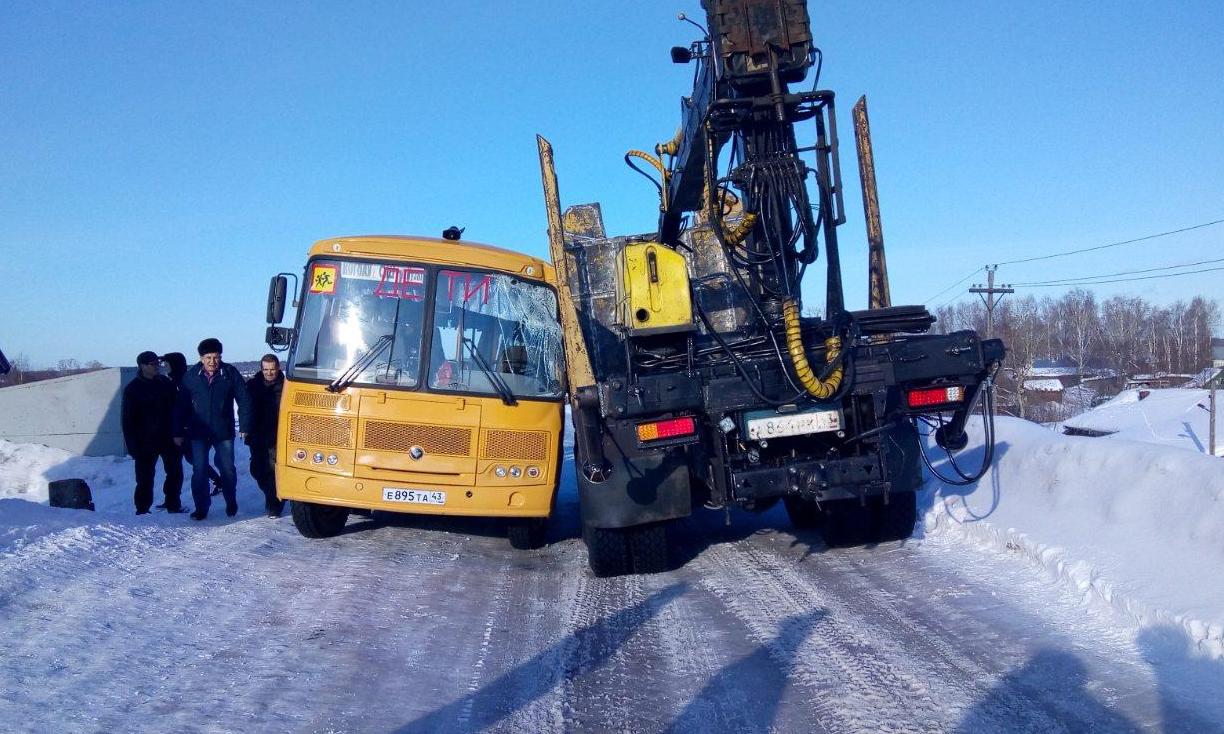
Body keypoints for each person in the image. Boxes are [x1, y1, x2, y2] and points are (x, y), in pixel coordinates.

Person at [173, 338, 252, 521]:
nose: (212, 361)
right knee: (199, 471)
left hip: (223, 431)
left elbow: (244, 400)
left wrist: (245, 426)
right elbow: (181, 406)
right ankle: (201, 507)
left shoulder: (229, 373)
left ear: (220, 357)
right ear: (201, 358)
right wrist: (177, 431)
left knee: (227, 470)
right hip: (198, 432)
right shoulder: (191, 377)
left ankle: (231, 501)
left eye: (216, 357)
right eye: (208, 357)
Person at [121, 351, 184, 514]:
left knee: (175, 473)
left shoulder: (165, 383)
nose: (157, 366)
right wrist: (132, 446)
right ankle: (142, 509)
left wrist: (179, 432)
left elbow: (177, 408)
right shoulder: (133, 389)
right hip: (145, 442)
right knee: (144, 478)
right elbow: (128, 421)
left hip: (169, 438)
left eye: (158, 363)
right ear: (142, 366)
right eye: (153, 364)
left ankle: (173, 504)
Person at [161, 352, 222, 501]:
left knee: (194, 460)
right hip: (181, 428)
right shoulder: (174, 380)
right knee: (191, 460)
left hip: (189, 428)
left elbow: (184, 407)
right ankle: (217, 481)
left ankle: (218, 482)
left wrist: (183, 427)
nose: (164, 366)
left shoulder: (183, 381)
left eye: (166, 363)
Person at [245, 354, 285, 517]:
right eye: (266, 369)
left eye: (272, 369)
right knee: (257, 470)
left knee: (272, 470)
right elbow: (245, 407)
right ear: (261, 369)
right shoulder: (253, 385)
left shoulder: (286, 386)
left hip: (278, 434)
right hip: (258, 434)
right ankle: (274, 495)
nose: (269, 373)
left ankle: (274, 503)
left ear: (278, 369)